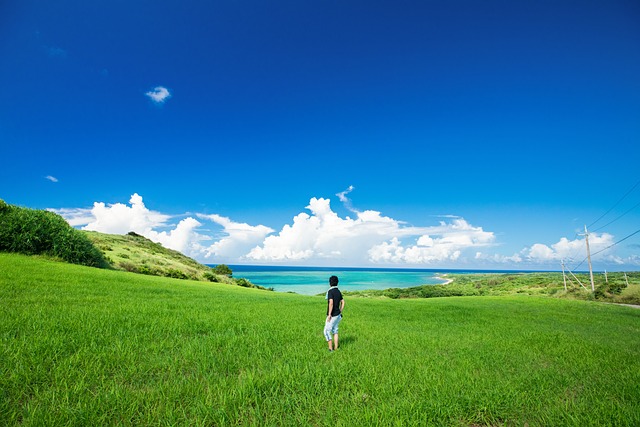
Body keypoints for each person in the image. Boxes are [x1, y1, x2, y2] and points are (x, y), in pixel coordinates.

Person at [324, 275, 344, 352]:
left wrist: (329, 315)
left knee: (326, 331)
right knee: (335, 330)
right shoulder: (338, 291)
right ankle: (336, 348)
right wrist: (340, 310)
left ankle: (330, 349)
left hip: (333, 315)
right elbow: (343, 302)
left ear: (330, 283)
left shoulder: (330, 291)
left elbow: (331, 303)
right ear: (337, 283)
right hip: (338, 315)